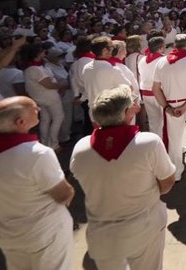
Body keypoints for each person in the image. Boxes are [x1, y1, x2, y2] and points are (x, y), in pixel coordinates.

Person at [70, 85, 176, 270]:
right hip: (144, 224)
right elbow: (167, 182)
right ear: (126, 113)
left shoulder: (80, 149)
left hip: (101, 230)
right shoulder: (148, 143)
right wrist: (144, 194)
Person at [0, 96, 74, 270]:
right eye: (33, 107)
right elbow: (64, 194)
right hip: (44, 233)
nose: (38, 108)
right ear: (21, 122)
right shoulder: (37, 154)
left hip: (7, 235)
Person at [152, 33, 186, 181]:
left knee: (174, 140)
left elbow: (155, 89)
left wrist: (167, 107)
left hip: (171, 103)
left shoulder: (161, 62)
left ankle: (176, 172)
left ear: (174, 45)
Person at [22, 43, 68, 150]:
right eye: (43, 52)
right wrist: (62, 85)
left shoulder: (34, 66)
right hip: (49, 97)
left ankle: (45, 142)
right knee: (58, 117)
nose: (45, 54)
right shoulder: (35, 69)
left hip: (41, 97)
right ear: (38, 53)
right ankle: (53, 144)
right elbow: (49, 85)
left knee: (45, 119)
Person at [138, 36, 165, 136]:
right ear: (161, 47)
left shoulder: (142, 60)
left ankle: (156, 144)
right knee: (165, 122)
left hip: (146, 94)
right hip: (159, 94)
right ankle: (166, 146)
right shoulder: (163, 60)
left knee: (154, 123)